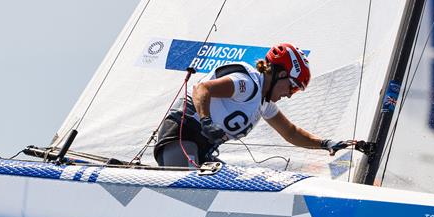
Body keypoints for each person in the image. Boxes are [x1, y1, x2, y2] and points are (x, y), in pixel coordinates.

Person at [153, 43, 358, 167]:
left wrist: (325, 144)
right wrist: (206, 121)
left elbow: (291, 132)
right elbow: (202, 89)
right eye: (293, 88)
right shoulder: (247, 84)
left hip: (202, 148)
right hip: (182, 134)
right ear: (281, 74)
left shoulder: (264, 103)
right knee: (191, 192)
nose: (289, 95)